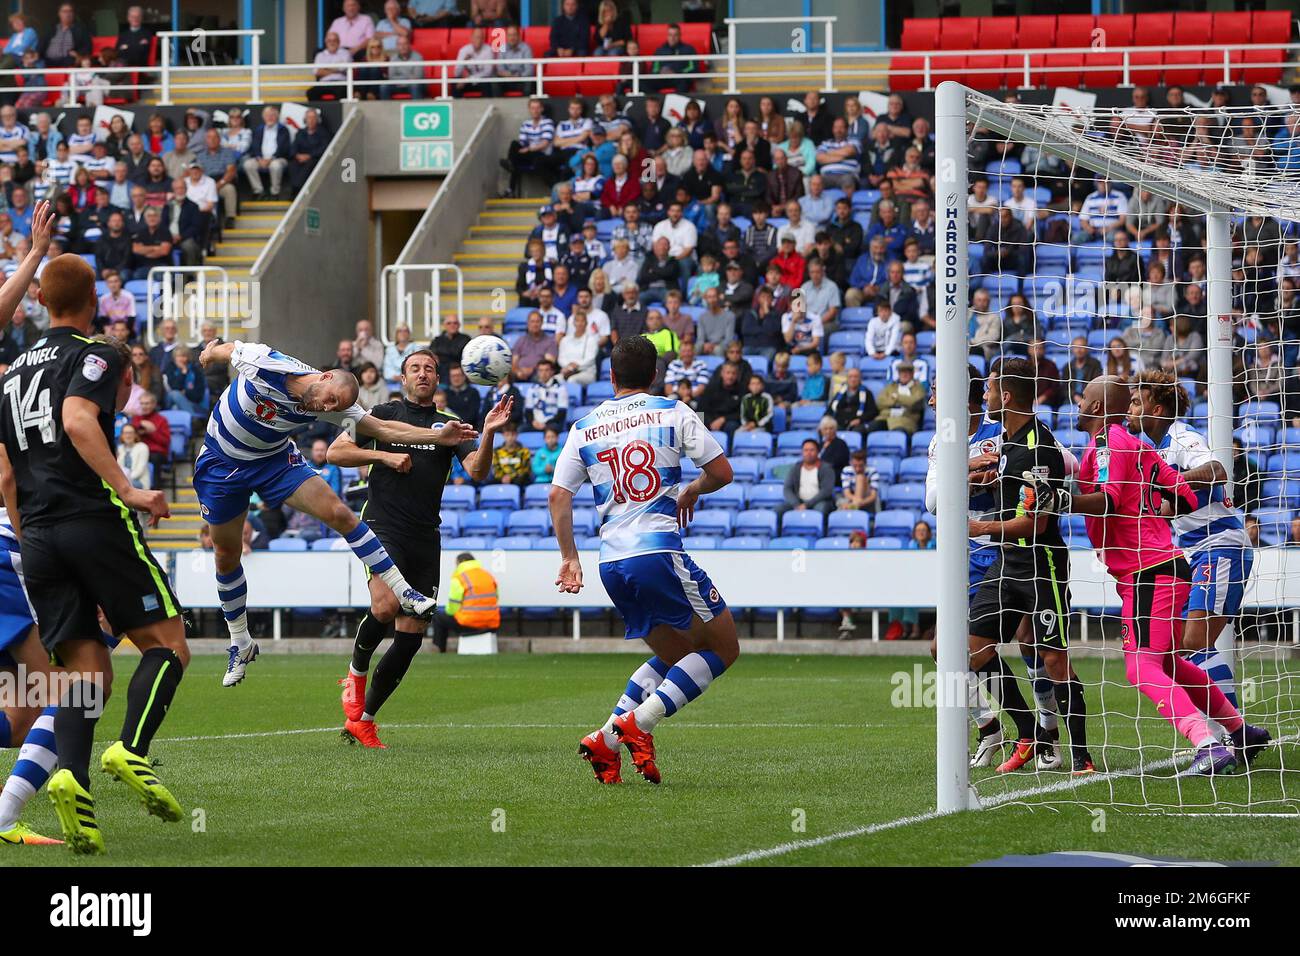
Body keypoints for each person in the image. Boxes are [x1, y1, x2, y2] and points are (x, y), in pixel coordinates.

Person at [0, 205, 191, 855]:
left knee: (84, 671)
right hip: (91, 518)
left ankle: (74, 789)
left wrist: (31, 538)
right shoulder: (95, 356)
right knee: (168, 644)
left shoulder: (13, 374)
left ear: (42, 303)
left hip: (38, 536)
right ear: (96, 304)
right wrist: (130, 489)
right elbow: (82, 421)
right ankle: (132, 751)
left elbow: (5, 474)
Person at [194, 339, 478, 688]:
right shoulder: (267, 363)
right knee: (226, 554)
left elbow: (384, 430)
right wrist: (210, 353)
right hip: (222, 464)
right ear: (324, 376)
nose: (326, 407)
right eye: (329, 399)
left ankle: (403, 590)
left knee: (341, 513)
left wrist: (437, 438)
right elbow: (228, 351)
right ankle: (240, 640)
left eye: (335, 406)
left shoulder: (336, 406)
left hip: (273, 461)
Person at [1028, 375, 1269, 776]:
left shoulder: (1108, 443)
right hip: (1167, 564)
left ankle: (1207, 744)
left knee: (1141, 667)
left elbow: (1107, 500)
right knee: (1172, 662)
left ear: (1097, 408)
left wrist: (1060, 499)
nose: (1077, 401)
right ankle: (1240, 731)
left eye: (1084, 396)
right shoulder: (1139, 446)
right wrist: (1150, 505)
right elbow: (1185, 495)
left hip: (1148, 570)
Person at [550, 335, 737, 785]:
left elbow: (558, 495)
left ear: (611, 376)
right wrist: (691, 488)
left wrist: (569, 558)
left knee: (676, 655)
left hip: (611, 563)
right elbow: (722, 473)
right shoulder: (672, 410)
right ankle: (633, 726)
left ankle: (605, 742)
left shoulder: (584, 427)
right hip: (657, 551)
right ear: (655, 375)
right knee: (722, 649)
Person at [331, 350, 508, 747]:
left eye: (430, 368)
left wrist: (490, 431)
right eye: (415, 368)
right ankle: (355, 674)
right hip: (381, 524)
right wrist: (384, 455)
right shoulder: (380, 412)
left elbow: (477, 471)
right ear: (403, 377)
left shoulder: (450, 425)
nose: (423, 374)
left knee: (410, 637)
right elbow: (335, 453)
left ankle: (365, 720)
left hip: (425, 536)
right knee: (385, 607)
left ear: (438, 379)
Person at [966, 358, 1093, 775]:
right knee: (967, 647)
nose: (984, 396)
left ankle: (1081, 757)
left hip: (1041, 567)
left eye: (988, 390)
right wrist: (987, 477)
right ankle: (1026, 732)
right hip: (1006, 561)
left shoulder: (1039, 445)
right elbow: (1017, 491)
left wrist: (981, 525)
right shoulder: (1007, 440)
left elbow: (1038, 521)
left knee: (1053, 660)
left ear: (1005, 396)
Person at [1129, 371, 1255, 710]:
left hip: (1220, 546)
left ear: (1156, 409)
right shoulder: (1153, 451)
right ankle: (1227, 728)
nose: (1130, 407)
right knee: (1181, 648)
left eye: (1136, 401)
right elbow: (1173, 504)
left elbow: (1217, 470)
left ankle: (1234, 733)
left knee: (1196, 643)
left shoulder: (1182, 438)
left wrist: (1171, 481)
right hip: (1195, 553)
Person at [430, 552, 501, 654]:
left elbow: (452, 607)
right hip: (491, 623)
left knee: (438, 617)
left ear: (461, 562)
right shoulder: (488, 575)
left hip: (470, 624)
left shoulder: (460, 577)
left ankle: (440, 649)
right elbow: (496, 598)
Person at [781, 438, 835, 518]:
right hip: (799, 501)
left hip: (819, 501)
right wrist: (796, 504)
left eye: (812, 450)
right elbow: (787, 488)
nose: (808, 453)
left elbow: (826, 491)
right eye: (806, 450)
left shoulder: (826, 468)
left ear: (818, 452)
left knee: (821, 509)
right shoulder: (796, 468)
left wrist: (807, 505)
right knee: (778, 510)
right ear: (802, 452)